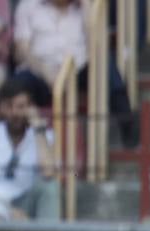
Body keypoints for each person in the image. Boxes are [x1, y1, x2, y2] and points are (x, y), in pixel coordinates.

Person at [12, 0, 135, 144]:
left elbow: (98, 45)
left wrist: (87, 8)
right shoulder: (28, 5)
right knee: (18, 84)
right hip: (39, 70)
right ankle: (15, 140)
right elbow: (22, 50)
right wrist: (45, 71)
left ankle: (127, 123)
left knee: (105, 63)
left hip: (77, 70)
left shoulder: (84, 8)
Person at [0, 78, 58, 221]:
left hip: (27, 201)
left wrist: (38, 129)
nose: (14, 112)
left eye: (21, 107)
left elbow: (49, 173)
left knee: (50, 187)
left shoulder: (45, 137)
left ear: (31, 108)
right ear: (0, 107)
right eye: (9, 106)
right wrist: (5, 209)